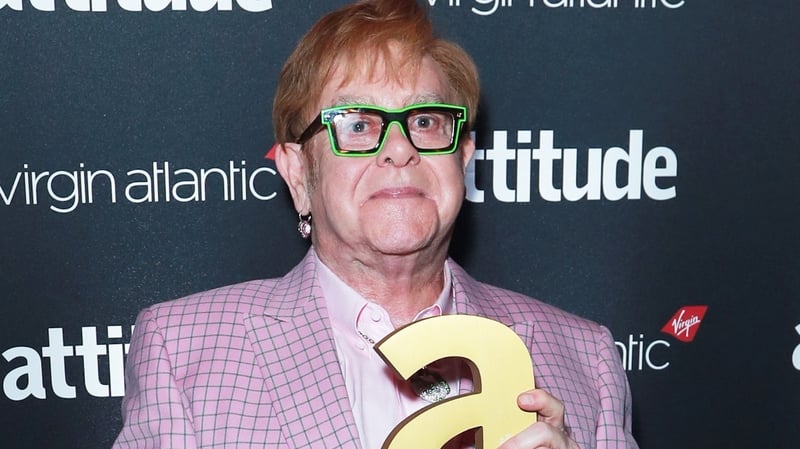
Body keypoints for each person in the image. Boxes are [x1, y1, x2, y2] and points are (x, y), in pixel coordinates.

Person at [113, 1, 638, 448]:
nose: (399, 149)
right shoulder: (183, 351)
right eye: (358, 125)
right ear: (298, 174)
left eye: (425, 121)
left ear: (463, 159)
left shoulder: (583, 358)